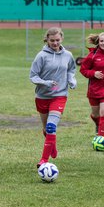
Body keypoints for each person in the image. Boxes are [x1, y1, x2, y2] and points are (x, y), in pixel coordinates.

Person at [29, 27, 77, 168]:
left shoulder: (68, 55)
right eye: (52, 41)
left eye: (57, 40)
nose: (55, 43)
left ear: (61, 39)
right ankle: (52, 146)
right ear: (47, 40)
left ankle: (43, 160)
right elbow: (33, 76)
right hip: (42, 96)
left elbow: (71, 69)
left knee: (51, 126)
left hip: (60, 95)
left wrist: (72, 80)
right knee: (46, 129)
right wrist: (45, 82)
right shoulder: (41, 56)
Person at [80, 32, 104, 136]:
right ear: (98, 42)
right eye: (102, 41)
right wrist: (93, 73)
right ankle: (98, 125)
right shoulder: (92, 55)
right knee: (95, 114)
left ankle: (101, 136)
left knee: (103, 112)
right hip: (94, 90)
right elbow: (83, 70)